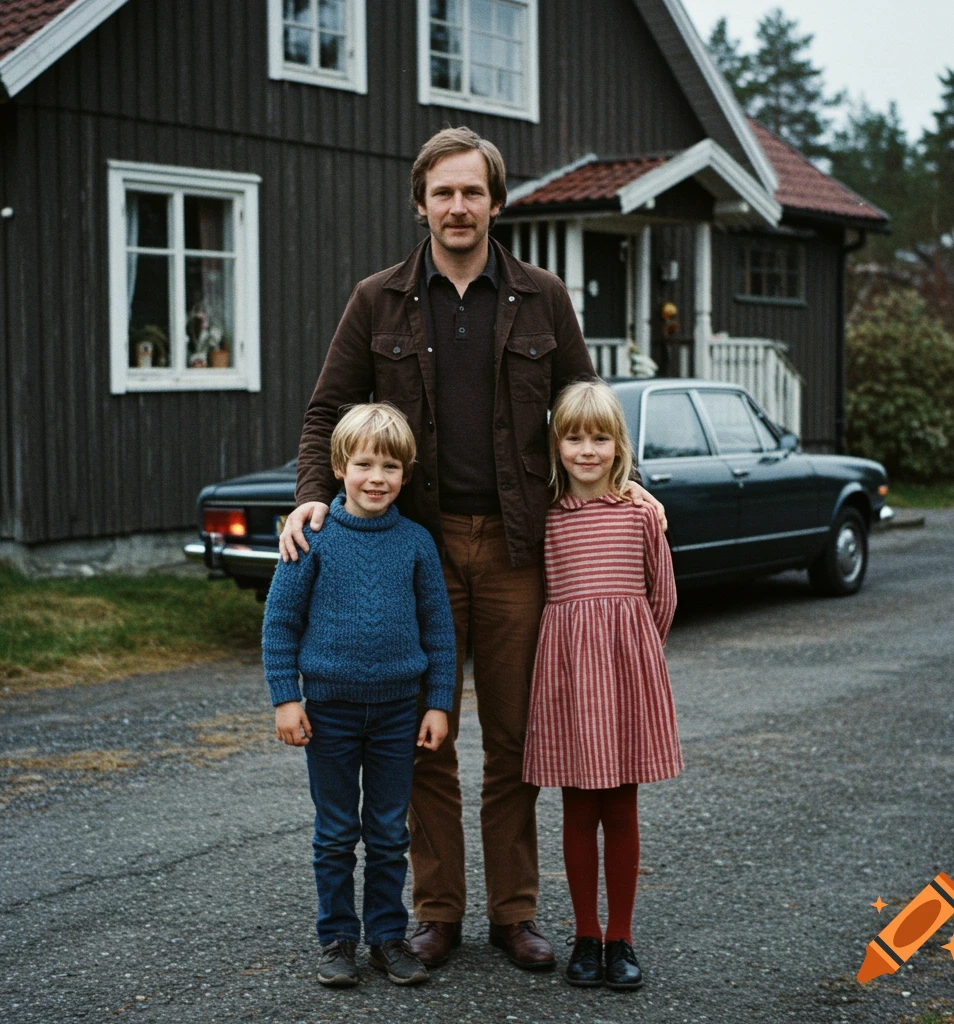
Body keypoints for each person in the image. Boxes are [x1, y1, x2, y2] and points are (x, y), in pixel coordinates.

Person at [278, 126, 665, 971]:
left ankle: (516, 913)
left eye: (473, 192)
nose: (459, 207)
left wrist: (627, 481)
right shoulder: (376, 300)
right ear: (420, 204)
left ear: (497, 202)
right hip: (412, 550)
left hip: (520, 547)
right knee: (426, 734)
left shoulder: (543, 297)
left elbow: (583, 410)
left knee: (518, 737)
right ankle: (437, 911)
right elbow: (323, 413)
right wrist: (311, 499)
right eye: (443, 193)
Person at [262, 403, 456, 988]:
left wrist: (438, 702)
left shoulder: (416, 542)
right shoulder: (313, 536)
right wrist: (285, 698)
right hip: (329, 712)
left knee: (391, 831)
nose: (377, 477)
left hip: (400, 712)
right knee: (336, 830)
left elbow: (439, 629)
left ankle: (389, 938)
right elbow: (280, 622)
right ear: (341, 466)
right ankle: (337, 939)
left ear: (407, 473)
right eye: (364, 463)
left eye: (391, 466)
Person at [522, 380, 683, 991]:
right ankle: (585, 935)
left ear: (619, 446)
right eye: (573, 437)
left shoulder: (642, 514)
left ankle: (621, 937)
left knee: (621, 806)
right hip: (568, 684)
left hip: (624, 680)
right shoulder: (548, 518)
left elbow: (661, 598)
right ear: (556, 445)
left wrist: (633, 656)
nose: (586, 450)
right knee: (576, 807)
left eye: (600, 438)